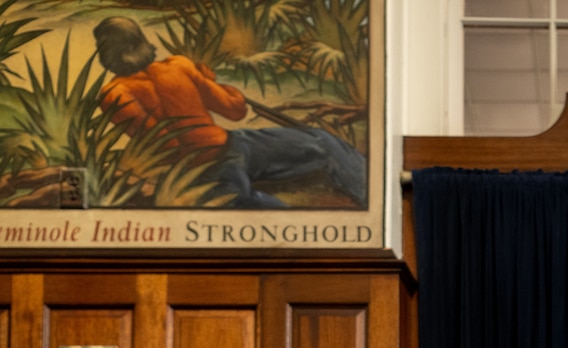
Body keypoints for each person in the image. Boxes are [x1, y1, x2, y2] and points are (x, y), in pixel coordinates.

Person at [92, 17, 366, 209]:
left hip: (203, 168)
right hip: (232, 146)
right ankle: (370, 197)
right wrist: (207, 83)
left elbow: (166, 144)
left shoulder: (114, 95)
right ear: (142, 41)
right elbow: (235, 109)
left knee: (254, 207)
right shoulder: (178, 66)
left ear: (106, 53)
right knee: (322, 141)